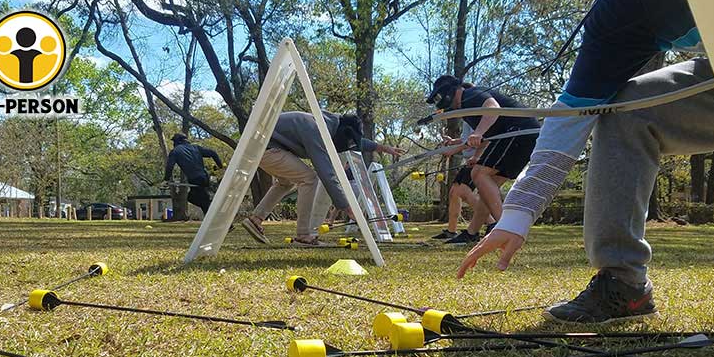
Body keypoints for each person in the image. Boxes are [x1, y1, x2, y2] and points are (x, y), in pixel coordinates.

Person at [459, 0, 714, 324]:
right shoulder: (617, 14)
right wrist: (516, 214)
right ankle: (624, 286)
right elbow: (571, 114)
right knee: (626, 110)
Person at [241, 111, 403, 245]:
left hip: (260, 146)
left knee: (286, 182)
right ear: (343, 133)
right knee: (309, 178)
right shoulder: (316, 130)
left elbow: (356, 141)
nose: (347, 146)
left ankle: (256, 219)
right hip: (265, 148)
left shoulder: (329, 123)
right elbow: (326, 172)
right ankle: (304, 236)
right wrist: (346, 206)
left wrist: (382, 148)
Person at [426, 76, 540, 245]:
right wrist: (471, 152)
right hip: (517, 135)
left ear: (449, 92)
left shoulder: (470, 95)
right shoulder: (467, 108)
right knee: (486, 186)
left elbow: (492, 107)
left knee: (479, 174)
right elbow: (486, 135)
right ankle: (472, 233)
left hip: (519, 132)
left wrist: (477, 133)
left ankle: (508, 229)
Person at [431, 123, 495, 243]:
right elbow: (469, 138)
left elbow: (483, 138)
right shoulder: (468, 119)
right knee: (454, 192)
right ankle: (451, 231)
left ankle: (491, 223)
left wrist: (453, 151)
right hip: (471, 160)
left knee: (463, 191)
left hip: (480, 159)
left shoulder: (477, 114)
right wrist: (453, 142)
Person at [163, 133, 223, 215]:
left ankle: (214, 211)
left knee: (197, 200)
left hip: (195, 180)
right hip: (205, 178)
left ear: (177, 141)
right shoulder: (196, 148)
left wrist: (166, 179)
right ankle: (213, 219)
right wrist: (220, 166)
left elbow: (169, 167)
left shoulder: (175, 152)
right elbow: (213, 153)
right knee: (200, 200)